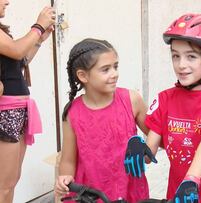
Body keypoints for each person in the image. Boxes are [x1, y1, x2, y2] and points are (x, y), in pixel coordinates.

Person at [124, 13, 201, 203]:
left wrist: (191, 179)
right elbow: (150, 153)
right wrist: (139, 148)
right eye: (175, 56)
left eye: (191, 57)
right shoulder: (165, 98)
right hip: (178, 198)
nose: (181, 65)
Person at [54, 38, 150, 202]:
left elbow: (156, 134)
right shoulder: (72, 113)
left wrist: (147, 149)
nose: (114, 74)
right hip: (91, 193)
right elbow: (68, 159)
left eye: (115, 66)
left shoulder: (131, 100)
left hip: (129, 188)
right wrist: (64, 177)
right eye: (105, 69)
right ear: (83, 76)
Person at [0, 1, 55, 202]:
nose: (7, 2)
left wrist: (40, 39)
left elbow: (19, 60)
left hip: (17, 109)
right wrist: (38, 26)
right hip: (5, 112)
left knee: (11, 180)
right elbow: (16, 50)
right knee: (3, 184)